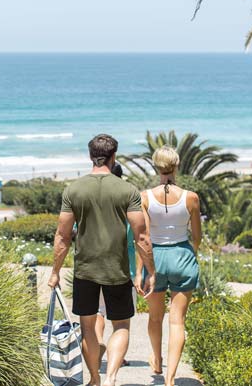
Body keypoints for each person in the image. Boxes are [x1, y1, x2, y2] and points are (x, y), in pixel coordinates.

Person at [48, 134, 156, 386]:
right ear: (113, 156)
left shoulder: (73, 189)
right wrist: (151, 270)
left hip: (85, 270)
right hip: (116, 271)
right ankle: (111, 378)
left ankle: (95, 378)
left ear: (90, 156)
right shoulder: (127, 190)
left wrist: (55, 271)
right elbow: (142, 237)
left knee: (87, 328)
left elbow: (62, 237)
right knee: (121, 326)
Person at [138, 146, 201, 386]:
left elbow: (143, 237)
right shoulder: (191, 197)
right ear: (176, 165)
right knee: (177, 320)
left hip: (153, 258)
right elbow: (197, 236)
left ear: (156, 166)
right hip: (182, 255)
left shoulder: (145, 197)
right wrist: (189, 253)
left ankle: (156, 359)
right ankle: (171, 378)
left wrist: (141, 269)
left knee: (155, 318)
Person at [94, 163, 137, 367]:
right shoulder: (128, 198)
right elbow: (140, 235)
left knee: (99, 311)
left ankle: (98, 343)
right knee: (121, 321)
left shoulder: (93, 198)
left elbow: (75, 229)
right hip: (122, 266)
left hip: (94, 265)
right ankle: (117, 357)